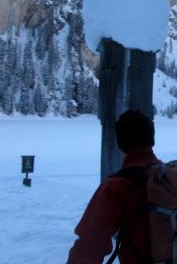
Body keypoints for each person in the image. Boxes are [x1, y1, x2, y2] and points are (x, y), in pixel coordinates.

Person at [68, 109, 159, 263]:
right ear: (152, 138)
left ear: (121, 142)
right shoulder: (171, 178)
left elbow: (90, 246)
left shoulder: (116, 187)